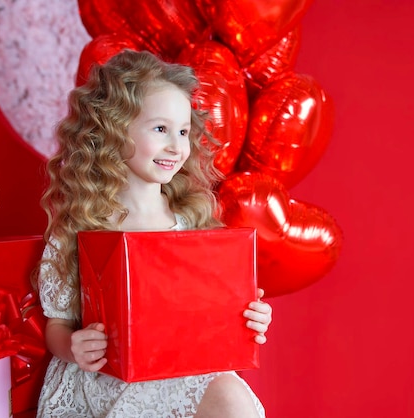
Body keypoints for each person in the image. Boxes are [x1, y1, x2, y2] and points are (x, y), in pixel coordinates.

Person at [36, 49, 273, 418]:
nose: (176, 147)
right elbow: (58, 326)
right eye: (160, 129)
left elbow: (208, 314)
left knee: (231, 399)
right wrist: (73, 347)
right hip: (108, 379)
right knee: (227, 400)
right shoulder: (82, 225)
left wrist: (248, 316)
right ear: (113, 128)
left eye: (182, 132)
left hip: (180, 367)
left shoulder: (190, 220)